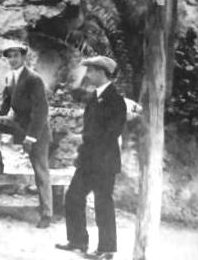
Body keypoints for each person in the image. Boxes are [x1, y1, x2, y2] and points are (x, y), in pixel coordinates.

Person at [56, 56, 126, 260]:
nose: (88, 74)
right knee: (73, 197)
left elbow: (111, 133)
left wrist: (86, 143)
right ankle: (78, 241)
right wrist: (84, 150)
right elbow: (90, 129)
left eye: (91, 70)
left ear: (102, 73)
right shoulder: (94, 97)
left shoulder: (115, 100)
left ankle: (107, 249)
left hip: (104, 162)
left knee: (103, 203)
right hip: (88, 161)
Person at [0, 41, 53, 229]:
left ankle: (47, 214)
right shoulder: (10, 77)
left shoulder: (33, 79)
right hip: (18, 124)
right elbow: (5, 105)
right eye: (9, 56)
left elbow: (41, 110)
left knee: (41, 171)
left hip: (37, 130)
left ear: (23, 57)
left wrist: (31, 137)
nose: (12, 60)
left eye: (16, 56)